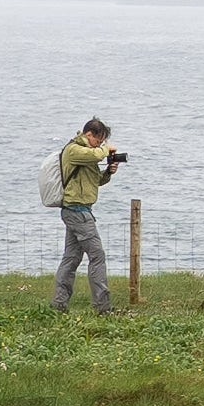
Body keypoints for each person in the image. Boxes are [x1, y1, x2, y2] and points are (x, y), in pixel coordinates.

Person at [50, 119, 126, 315]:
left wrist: (108, 172)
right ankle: (102, 307)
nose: (100, 145)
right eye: (99, 140)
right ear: (89, 134)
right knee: (97, 256)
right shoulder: (75, 150)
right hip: (77, 211)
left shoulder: (88, 156)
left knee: (71, 258)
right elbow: (94, 155)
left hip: (79, 210)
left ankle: (59, 305)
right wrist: (107, 149)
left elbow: (95, 181)